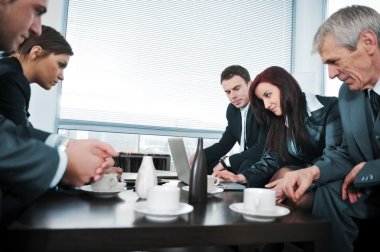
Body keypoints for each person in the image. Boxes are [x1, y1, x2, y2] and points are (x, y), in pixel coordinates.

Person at [0, 0, 119, 228]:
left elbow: (16, 133)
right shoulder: (9, 78)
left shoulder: (11, 75)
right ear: (36, 52)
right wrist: (69, 166)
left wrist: (71, 152)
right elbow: (16, 150)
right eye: (61, 64)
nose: (62, 75)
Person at [274, 5, 380, 252]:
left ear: (368, 42)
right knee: (330, 190)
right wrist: (312, 172)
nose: (331, 75)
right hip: (371, 194)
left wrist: (370, 172)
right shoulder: (348, 94)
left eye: (335, 61)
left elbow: (365, 167)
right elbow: (347, 152)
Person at [214, 66, 347, 210]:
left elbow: (334, 156)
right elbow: (272, 159)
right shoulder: (278, 118)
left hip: (323, 177)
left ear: (284, 86)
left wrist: (297, 177)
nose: (266, 105)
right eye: (262, 100)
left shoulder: (330, 108)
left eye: (268, 94)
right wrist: (239, 177)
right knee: (278, 182)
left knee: (289, 185)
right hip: (298, 176)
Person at [200, 65, 267, 175]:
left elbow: (261, 148)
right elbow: (223, 145)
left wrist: (227, 162)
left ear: (250, 84)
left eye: (236, 88)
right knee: (207, 165)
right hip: (243, 160)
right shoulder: (232, 111)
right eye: (228, 92)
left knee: (246, 165)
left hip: (258, 160)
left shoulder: (263, 107)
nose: (233, 96)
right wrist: (199, 156)